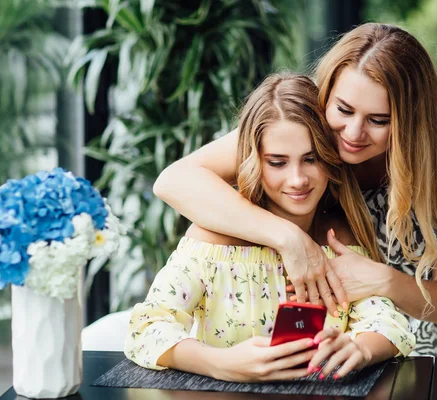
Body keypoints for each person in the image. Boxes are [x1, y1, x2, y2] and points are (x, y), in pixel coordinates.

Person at [153, 23, 437, 357]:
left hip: (425, 352)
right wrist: (291, 239)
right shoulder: (305, 118)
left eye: (379, 120)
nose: (353, 133)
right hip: (330, 343)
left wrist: (384, 280)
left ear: (411, 120)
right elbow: (174, 180)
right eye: (343, 109)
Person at [125, 73, 415, 382]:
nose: (298, 180)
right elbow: (146, 328)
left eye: (311, 159)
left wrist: (359, 348)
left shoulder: (338, 238)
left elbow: (388, 322)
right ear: (252, 161)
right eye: (277, 162)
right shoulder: (211, 243)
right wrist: (220, 363)